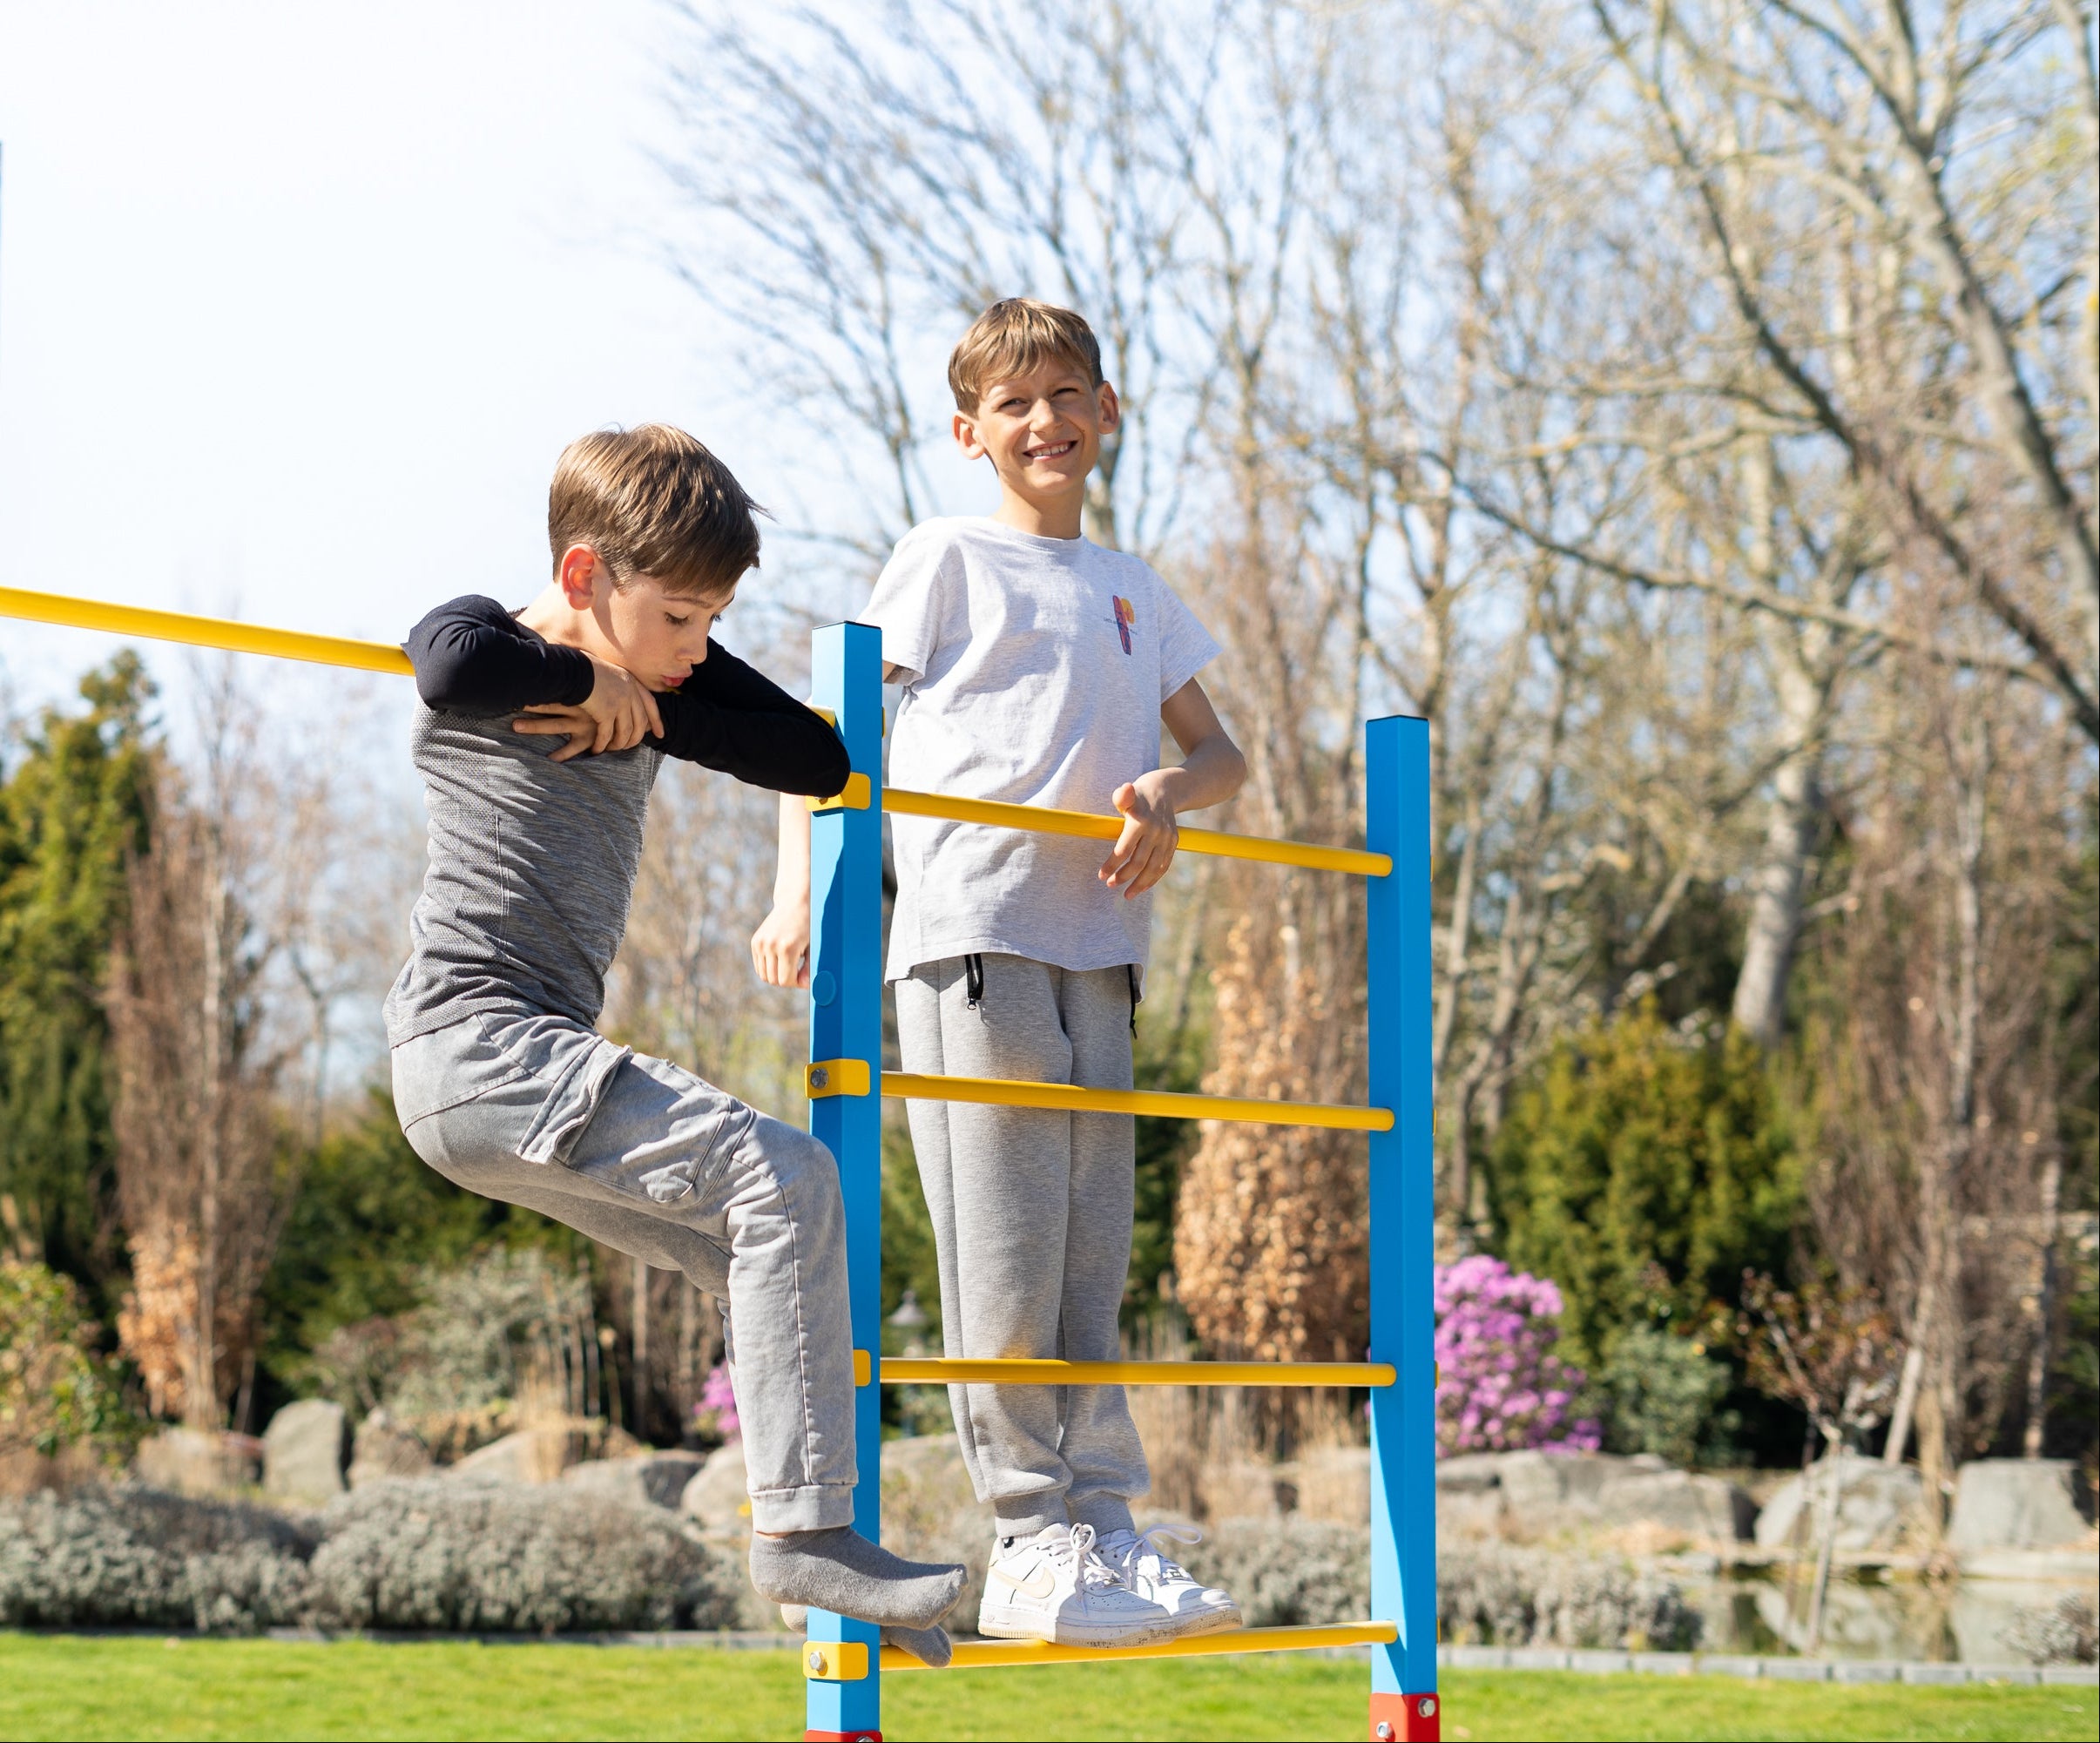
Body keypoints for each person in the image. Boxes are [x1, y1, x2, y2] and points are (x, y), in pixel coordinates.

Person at [387, 423, 963, 1662]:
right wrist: (579, 676)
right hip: (481, 1045)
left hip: (491, 1093)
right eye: (683, 618)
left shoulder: (658, 693)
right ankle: (807, 1533)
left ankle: (829, 1557)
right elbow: (443, 660)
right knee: (788, 1173)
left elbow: (814, 754)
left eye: (712, 624)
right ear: (589, 576)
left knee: (758, 1242)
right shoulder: (506, 658)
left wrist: (648, 689)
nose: (699, 649)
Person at [753, 301, 1249, 1648]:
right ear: (972, 433)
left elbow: (1223, 755)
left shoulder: (1138, 586)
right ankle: (1029, 1534)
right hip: (974, 935)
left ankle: (1104, 1525)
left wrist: (1164, 787)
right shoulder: (949, 556)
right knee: (1010, 1246)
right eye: (1016, 404)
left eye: (1068, 394)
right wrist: (799, 889)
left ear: (1107, 411)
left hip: (1105, 947)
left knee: (1095, 1250)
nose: (1047, 422)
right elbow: (826, 727)